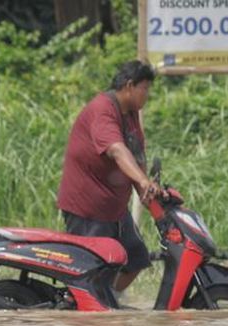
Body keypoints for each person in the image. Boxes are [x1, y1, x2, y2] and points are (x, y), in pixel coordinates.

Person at [56, 60, 163, 302]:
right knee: (92, 272)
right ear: (129, 86)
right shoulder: (103, 109)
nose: (148, 94)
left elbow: (136, 157)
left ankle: (109, 302)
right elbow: (117, 150)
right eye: (145, 88)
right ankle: (84, 306)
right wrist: (143, 182)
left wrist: (149, 191)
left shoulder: (132, 114)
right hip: (88, 209)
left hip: (114, 210)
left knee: (136, 258)